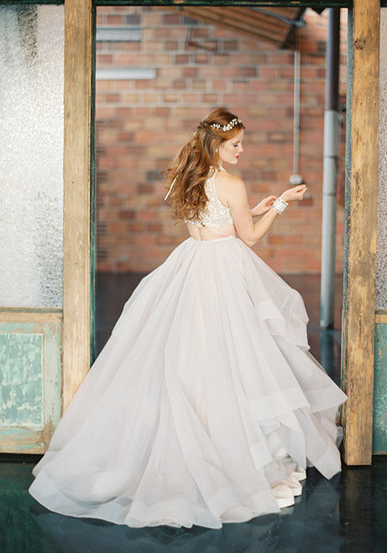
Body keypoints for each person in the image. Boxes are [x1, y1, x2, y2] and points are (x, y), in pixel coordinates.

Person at [29, 107, 347, 529]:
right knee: (232, 356)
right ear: (218, 144)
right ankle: (227, 444)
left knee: (188, 355)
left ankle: (189, 435)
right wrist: (282, 205)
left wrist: (253, 208)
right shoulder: (232, 183)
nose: (241, 151)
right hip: (223, 273)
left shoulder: (189, 175)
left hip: (190, 264)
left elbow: (216, 224)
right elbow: (249, 238)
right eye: (236, 144)